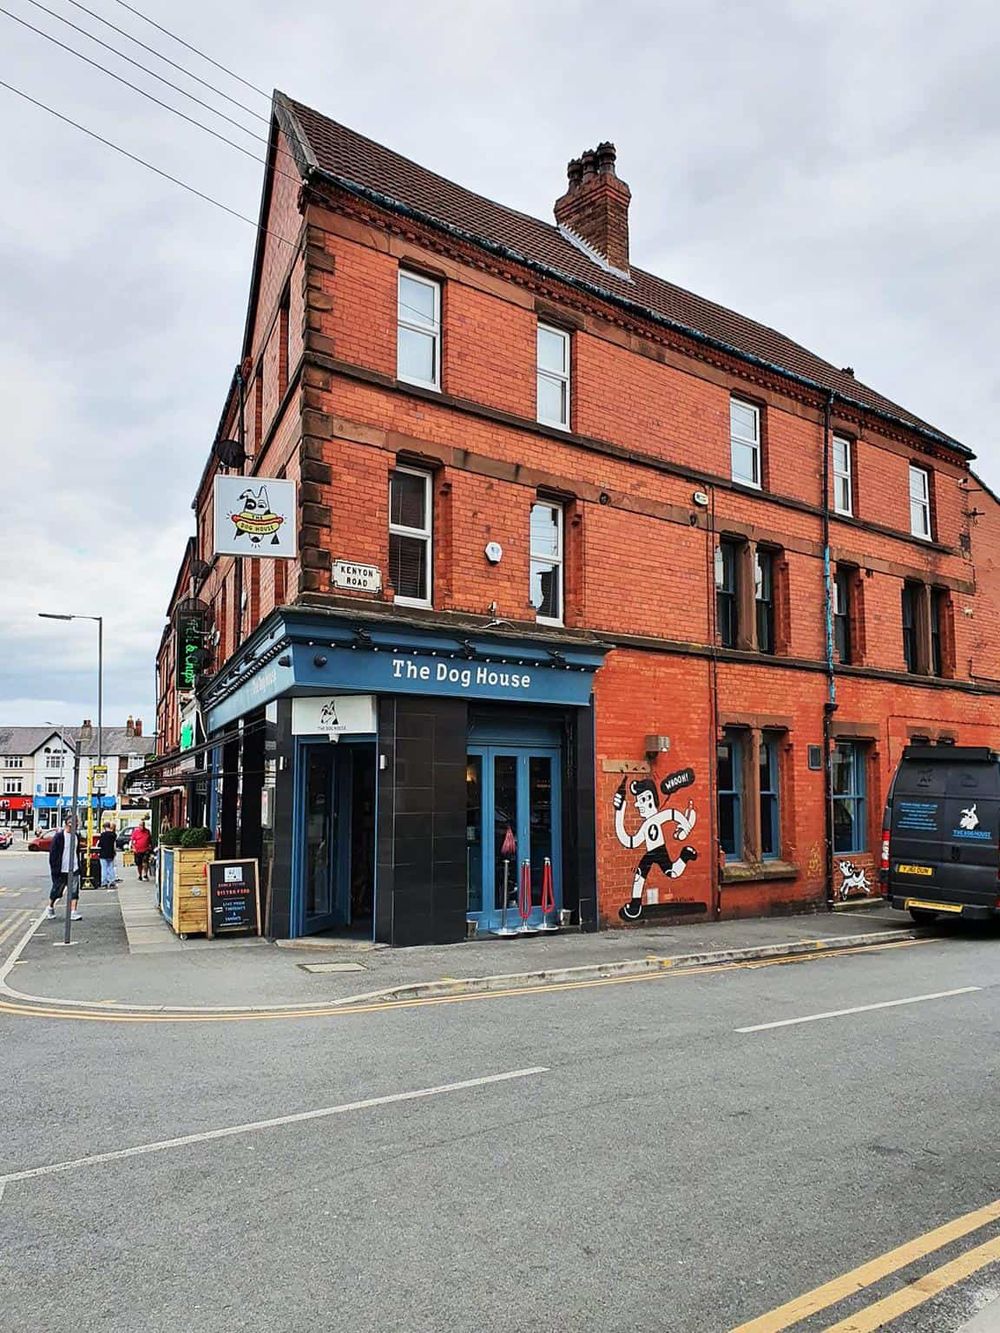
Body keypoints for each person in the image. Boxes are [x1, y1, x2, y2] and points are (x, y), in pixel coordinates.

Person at [46, 818, 82, 921]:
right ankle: (50, 907)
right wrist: (54, 868)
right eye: (71, 824)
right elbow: (53, 854)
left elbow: (77, 851)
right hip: (61, 869)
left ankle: (73, 912)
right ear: (66, 824)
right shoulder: (59, 837)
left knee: (74, 891)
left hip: (74, 868)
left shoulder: (76, 836)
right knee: (57, 891)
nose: (73, 827)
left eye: (75, 824)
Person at [98, 820, 118, 888]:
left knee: (104, 868)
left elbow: (100, 844)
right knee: (111, 868)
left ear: (104, 827)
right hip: (111, 853)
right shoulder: (113, 835)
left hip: (103, 853)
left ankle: (104, 883)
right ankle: (112, 882)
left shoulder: (103, 835)